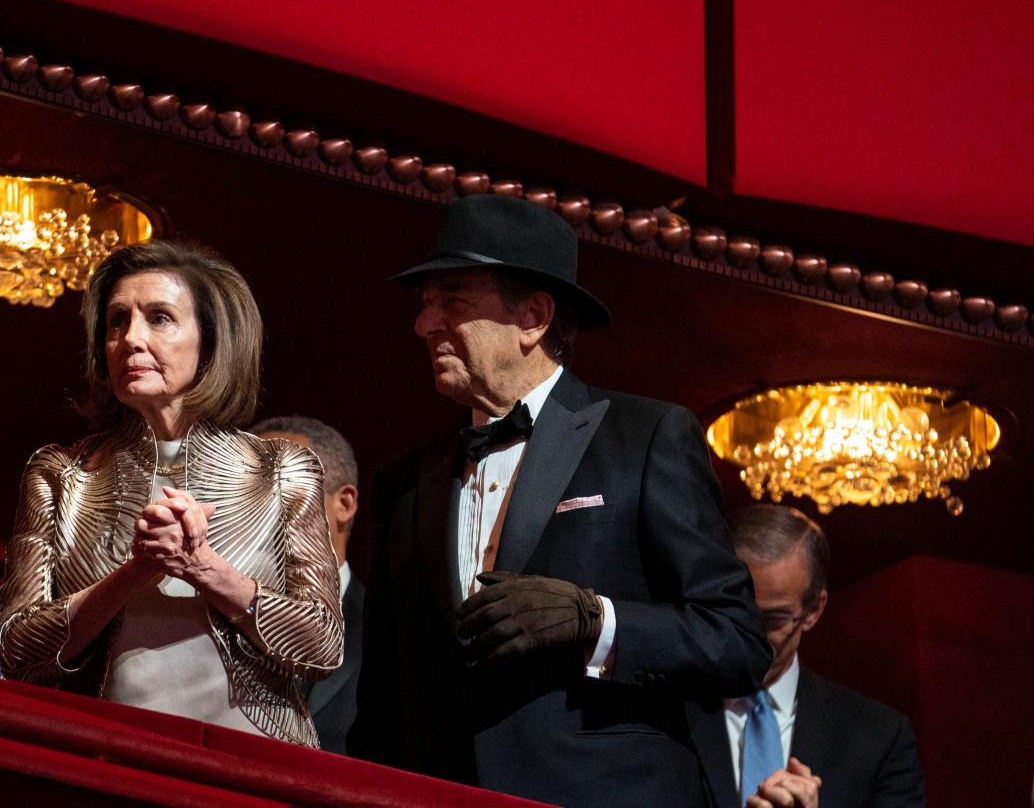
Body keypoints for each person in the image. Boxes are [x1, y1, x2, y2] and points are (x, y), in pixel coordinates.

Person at [349, 194, 771, 806]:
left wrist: (597, 621)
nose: (425, 324)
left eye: (453, 301)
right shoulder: (403, 484)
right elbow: (383, 701)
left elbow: (737, 643)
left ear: (534, 318)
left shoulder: (646, 438)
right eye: (425, 305)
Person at [0, 240, 343, 748]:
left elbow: (323, 648)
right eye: (116, 321)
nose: (130, 338)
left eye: (159, 318)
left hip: (252, 765)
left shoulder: (281, 471)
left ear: (213, 341)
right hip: (101, 756)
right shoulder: (61, 474)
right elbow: (15, 650)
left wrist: (203, 567)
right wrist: (136, 570)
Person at [687, 504, 926, 808]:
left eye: (772, 620)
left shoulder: (880, 738)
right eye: (735, 614)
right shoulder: (665, 715)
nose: (749, 638)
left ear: (814, 610)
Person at [252, 414, 361, 755]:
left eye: (282, 489)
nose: (258, 512)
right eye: (247, 494)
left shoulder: (394, 628)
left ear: (344, 504)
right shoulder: (206, 622)